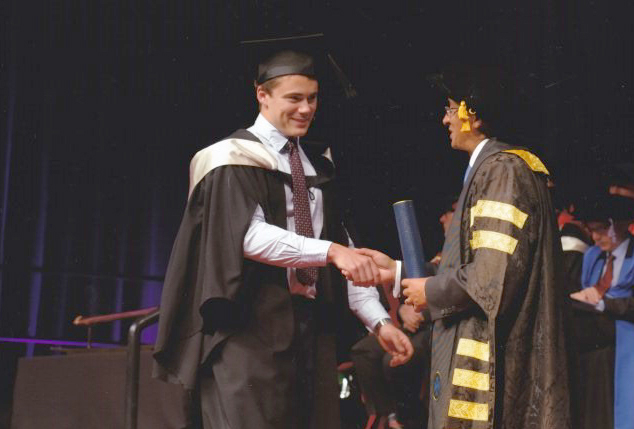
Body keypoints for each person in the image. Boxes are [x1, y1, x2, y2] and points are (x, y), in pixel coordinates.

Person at [152, 48, 413, 429]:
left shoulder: (318, 165)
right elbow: (248, 236)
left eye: (312, 98)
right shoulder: (230, 158)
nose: (306, 109)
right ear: (262, 95)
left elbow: (345, 250)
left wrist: (379, 322)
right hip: (247, 330)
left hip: (310, 332)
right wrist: (332, 252)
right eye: (294, 98)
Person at [358, 69, 571, 428]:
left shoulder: (502, 169)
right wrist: (399, 272)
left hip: (496, 359)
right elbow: (481, 266)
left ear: (472, 114)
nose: (445, 119)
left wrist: (430, 289)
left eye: (450, 108)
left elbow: (491, 279)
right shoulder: (497, 167)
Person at [570, 192, 634, 429]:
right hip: (596, 341)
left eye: (600, 230)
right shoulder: (593, 256)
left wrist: (602, 302)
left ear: (616, 226)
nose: (595, 237)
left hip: (627, 339)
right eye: (591, 230)